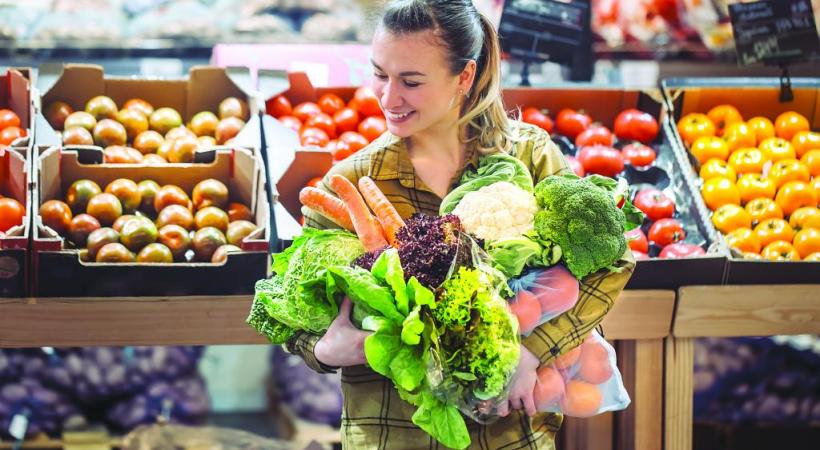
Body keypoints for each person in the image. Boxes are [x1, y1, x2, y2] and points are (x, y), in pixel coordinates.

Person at [287, 1, 635, 448]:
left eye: (411, 82)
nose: (388, 98)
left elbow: (610, 262)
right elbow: (292, 314)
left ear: (465, 76)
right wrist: (324, 348)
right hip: (394, 434)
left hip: (509, 436)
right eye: (379, 74)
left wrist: (532, 352)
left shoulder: (529, 156)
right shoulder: (350, 182)